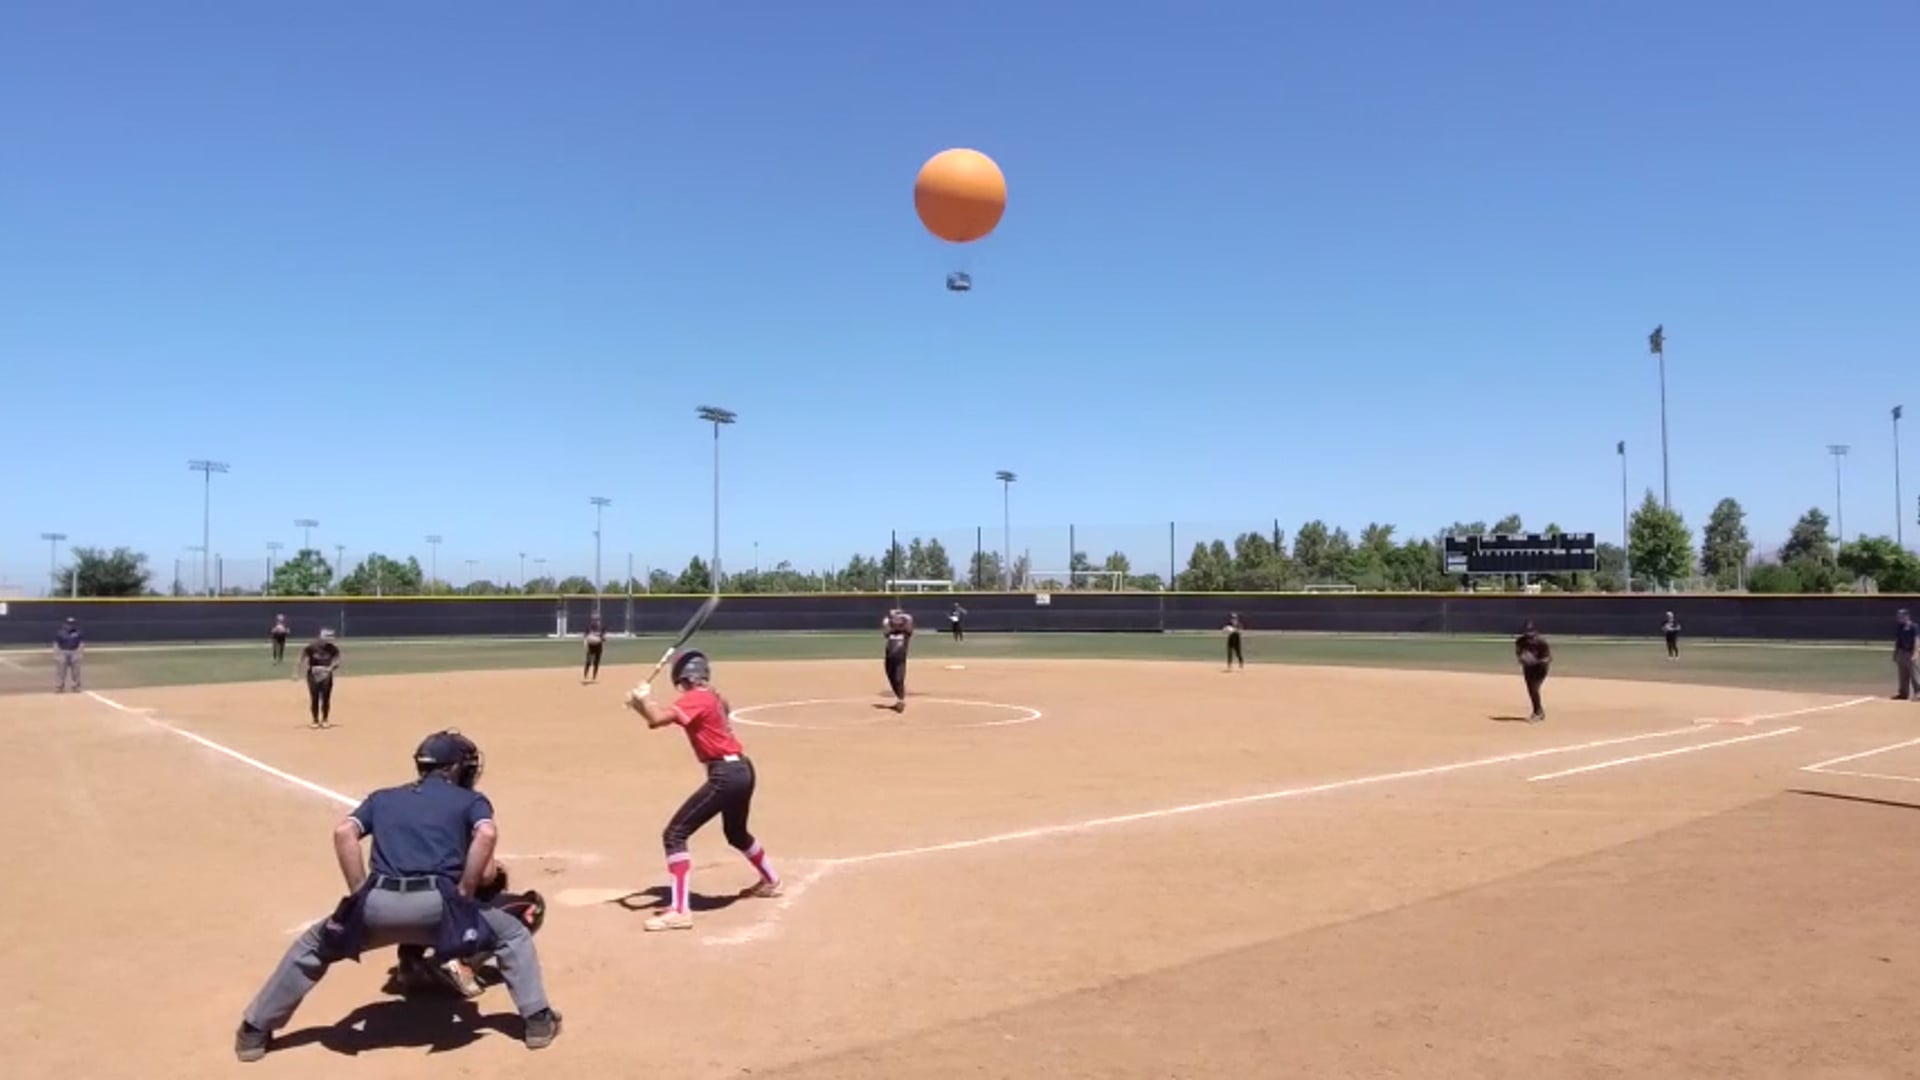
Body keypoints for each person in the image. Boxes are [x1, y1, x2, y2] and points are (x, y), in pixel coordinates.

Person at [231, 730, 561, 1061]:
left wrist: (360, 894)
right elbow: (486, 839)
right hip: (439, 910)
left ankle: (253, 1031)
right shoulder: (470, 801)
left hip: (378, 907)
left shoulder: (382, 798)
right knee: (512, 934)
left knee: (313, 947)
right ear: (455, 768)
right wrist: (465, 890)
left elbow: (344, 832)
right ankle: (537, 1021)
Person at [622, 651, 782, 932]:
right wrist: (639, 704)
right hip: (742, 770)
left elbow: (657, 718)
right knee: (736, 833)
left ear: (681, 678)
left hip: (725, 775)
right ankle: (770, 880)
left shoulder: (696, 698)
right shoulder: (713, 697)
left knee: (675, 834)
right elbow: (654, 719)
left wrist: (644, 699)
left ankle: (680, 911)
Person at [297, 628, 342, 728]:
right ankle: (315, 720)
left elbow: (337, 660)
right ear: (321, 637)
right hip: (313, 674)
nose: (329, 639)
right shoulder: (311, 647)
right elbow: (302, 657)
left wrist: (330, 668)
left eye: (330, 637)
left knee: (326, 697)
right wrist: (297, 671)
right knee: (314, 697)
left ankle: (325, 719)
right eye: (327, 637)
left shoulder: (332, 648)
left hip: (326, 675)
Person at [1515, 621, 1552, 723]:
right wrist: (1522, 659)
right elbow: (1519, 653)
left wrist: (1535, 661)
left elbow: (1548, 658)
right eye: (1526, 631)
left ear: (1535, 631)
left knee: (1534, 688)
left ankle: (1538, 713)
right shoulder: (1520, 641)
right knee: (1531, 690)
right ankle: (1539, 712)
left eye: (1530, 631)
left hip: (1541, 668)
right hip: (1528, 668)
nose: (1528, 634)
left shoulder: (1541, 642)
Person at [882, 608, 915, 712]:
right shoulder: (889, 627)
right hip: (889, 656)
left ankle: (901, 700)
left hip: (900, 657)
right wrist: (892, 623)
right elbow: (886, 632)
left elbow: (909, 628)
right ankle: (899, 698)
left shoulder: (906, 631)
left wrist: (900, 620)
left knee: (899, 678)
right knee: (891, 677)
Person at [52, 616, 84, 693]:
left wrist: (80, 653)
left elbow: (81, 643)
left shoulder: (78, 632)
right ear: (65, 624)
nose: (71, 625)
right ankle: (59, 687)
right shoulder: (60, 633)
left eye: (72, 623)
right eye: (69, 623)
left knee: (76, 671)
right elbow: (56, 644)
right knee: (61, 671)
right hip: (63, 651)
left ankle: (76, 686)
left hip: (74, 651)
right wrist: (56, 654)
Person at [1895, 609, 1917, 701]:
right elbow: (1898, 641)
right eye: (1899, 616)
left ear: (1907, 616)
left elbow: (1917, 640)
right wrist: (1895, 653)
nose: (1899, 618)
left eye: (1901, 616)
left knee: (1914, 674)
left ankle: (1918, 693)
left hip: (1910, 652)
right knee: (1902, 674)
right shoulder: (1900, 627)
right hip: (1901, 652)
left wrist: (1915, 653)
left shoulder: (1913, 626)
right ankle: (1903, 693)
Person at [582, 613, 606, 683]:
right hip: (590, 646)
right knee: (588, 661)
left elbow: (604, 637)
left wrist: (602, 639)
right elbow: (585, 636)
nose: (595, 621)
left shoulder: (602, 627)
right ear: (592, 620)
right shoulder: (588, 627)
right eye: (594, 619)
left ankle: (594, 676)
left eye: (597, 619)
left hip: (598, 646)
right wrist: (585, 644)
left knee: (596, 662)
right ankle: (585, 675)